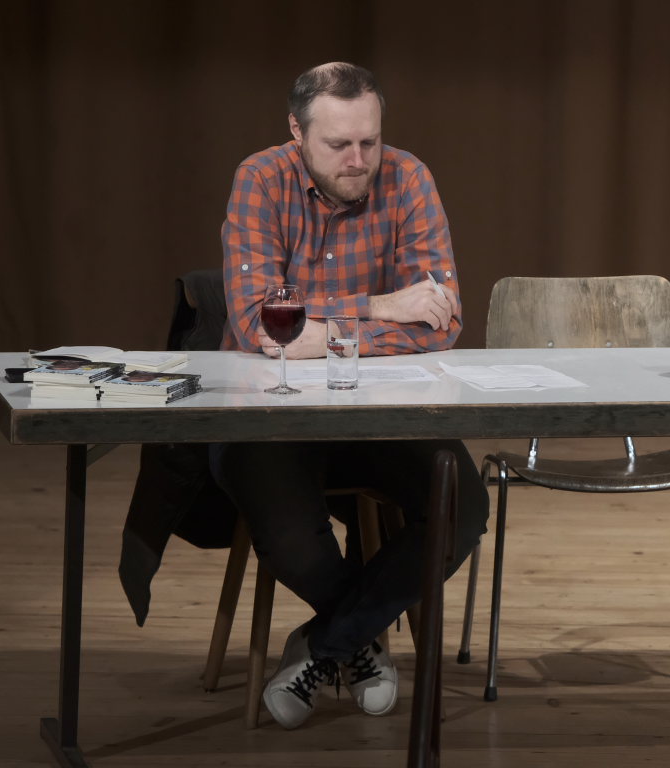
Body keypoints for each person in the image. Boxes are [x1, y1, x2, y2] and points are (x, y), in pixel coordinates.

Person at [212, 62, 489, 730]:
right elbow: (258, 327)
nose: (359, 160)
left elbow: (441, 322)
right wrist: (380, 306)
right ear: (296, 131)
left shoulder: (409, 178)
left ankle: (325, 646)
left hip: (376, 409)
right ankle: (360, 640)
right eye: (339, 144)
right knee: (294, 539)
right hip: (269, 413)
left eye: (370, 141)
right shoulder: (260, 179)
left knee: (462, 504)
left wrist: (322, 331)